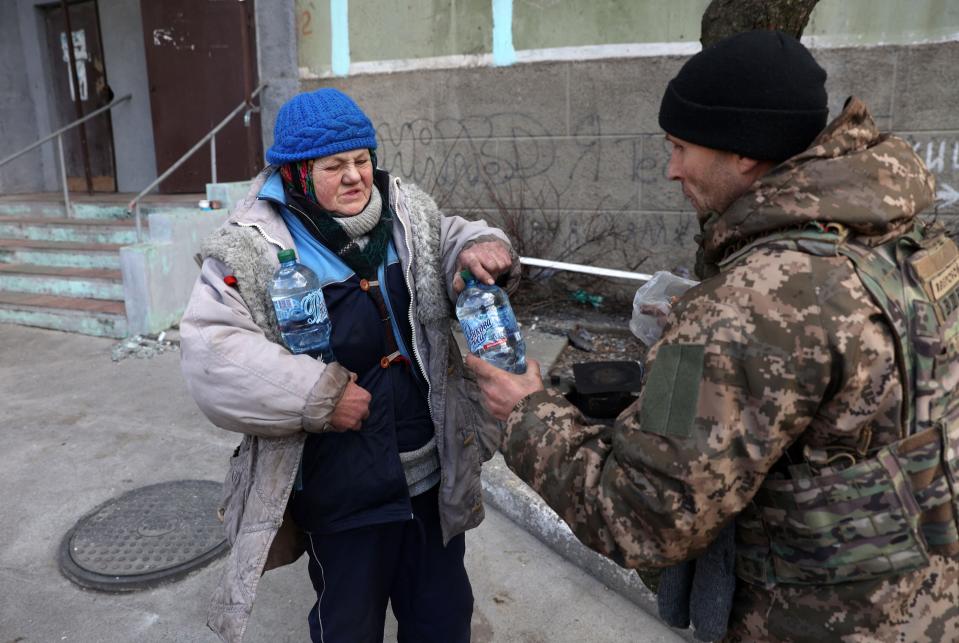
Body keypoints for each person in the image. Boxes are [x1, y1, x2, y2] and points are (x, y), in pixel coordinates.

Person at [468, 30, 959, 642]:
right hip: (927, 601)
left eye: (679, 147)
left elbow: (642, 516)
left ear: (744, 151)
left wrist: (526, 414)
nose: (672, 170)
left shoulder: (744, 305)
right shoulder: (908, 238)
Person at [179, 88, 518, 643]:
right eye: (335, 166)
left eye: (362, 160)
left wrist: (479, 248)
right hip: (339, 492)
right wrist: (319, 393)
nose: (356, 176)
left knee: (443, 617)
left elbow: (458, 235)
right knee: (349, 626)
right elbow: (210, 351)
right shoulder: (255, 247)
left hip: (431, 477)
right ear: (294, 175)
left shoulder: (407, 214)